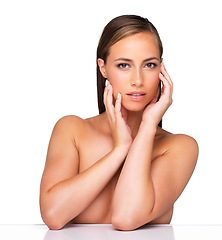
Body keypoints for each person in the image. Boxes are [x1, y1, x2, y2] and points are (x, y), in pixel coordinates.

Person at [39, 15, 199, 231]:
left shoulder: (180, 147)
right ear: (103, 68)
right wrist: (120, 149)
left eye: (149, 65)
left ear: (161, 70)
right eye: (124, 65)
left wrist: (148, 125)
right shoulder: (72, 130)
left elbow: (126, 216)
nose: (138, 80)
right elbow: (53, 215)